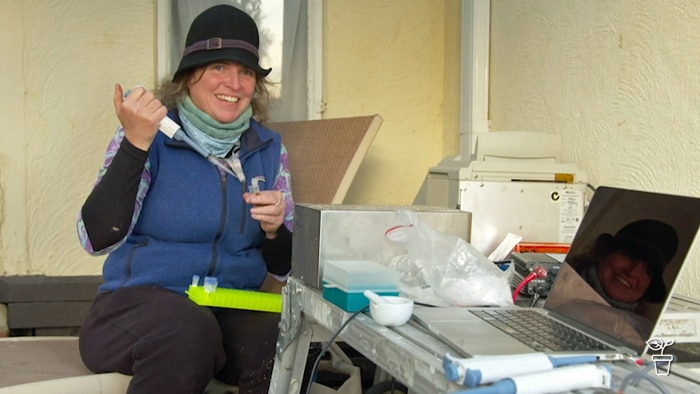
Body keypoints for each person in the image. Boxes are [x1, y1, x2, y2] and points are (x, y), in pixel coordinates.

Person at [76, 5, 293, 394]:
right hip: (136, 305)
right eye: (218, 68)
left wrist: (276, 231)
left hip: (230, 303)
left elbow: (284, 268)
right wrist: (136, 143)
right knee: (189, 331)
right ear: (189, 76)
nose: (235, 83)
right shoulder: (150, 136)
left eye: (246, 72)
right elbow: (96, 237)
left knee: (284, 337)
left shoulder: (267, 148)